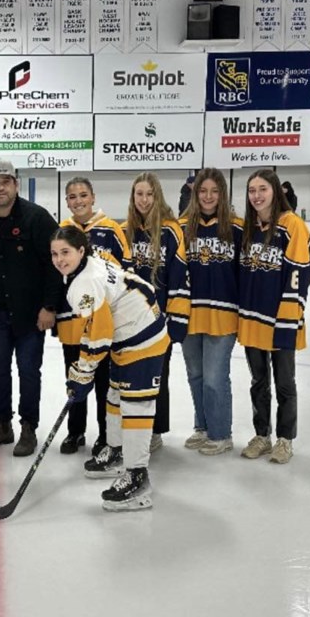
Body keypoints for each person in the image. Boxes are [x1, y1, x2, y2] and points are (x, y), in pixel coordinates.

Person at [51, 226, 169, 511]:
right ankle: (116, 452)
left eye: (65, 252)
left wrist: (83, 372)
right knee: (115, 397)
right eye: (54, 254)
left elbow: (100, 332)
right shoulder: (90, 266)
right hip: (129, 334)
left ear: (81, 251)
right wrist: (83, 369)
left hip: (141, 338)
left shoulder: (83, 283)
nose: (59, 259)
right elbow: (97, 325)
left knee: (136, 407)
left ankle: (138, 476)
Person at [0, 160, 63, 457]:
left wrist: (49, 307)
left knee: (29, 371)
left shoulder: (37, 218)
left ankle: (28, 427)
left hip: (32, 314)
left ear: (16, 185)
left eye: (6, 181)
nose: (0, 186)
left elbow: (55, 266)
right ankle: (3, 425)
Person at [238, 170, 310, 465]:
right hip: (252, 319)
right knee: (258, 381)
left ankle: (285, 439)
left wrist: (289, 318)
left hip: (282, 319)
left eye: (263, 189)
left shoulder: (292, 225)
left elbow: (299, 276)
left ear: (275, 192)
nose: (257, 195)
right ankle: (262, 435)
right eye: (252, 190)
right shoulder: (249, 228)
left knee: (284, 383)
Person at [56, 177, 132, 457]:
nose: (78, 201)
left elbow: (125, 273)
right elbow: (55, 274)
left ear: (93, 197)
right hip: (72, 321)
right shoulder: (62, 230)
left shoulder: (112, 229)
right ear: (66, 201)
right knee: (76, 378)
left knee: (102, 381)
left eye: (83, 195)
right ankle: (75, 432)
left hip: (103, 323)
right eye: (72, 196)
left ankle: (104, 434)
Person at [178, 168, 243, 456]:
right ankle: (202, 427)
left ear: (222, 194)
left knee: (215, 377)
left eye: (214, 191)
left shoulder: (237, 228)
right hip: (190, 313)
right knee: (195, 375)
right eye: (203, 191)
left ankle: (220, 433)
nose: (208, 197)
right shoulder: (182, 227)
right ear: (195, 194)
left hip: (224, 313)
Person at [123, 172, 191, 452]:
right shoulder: (126, 229)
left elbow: (180, 277)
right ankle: (134, 427)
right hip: (130, 321)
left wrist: (176, 320)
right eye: (139, 194)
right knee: (131, 377)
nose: (144, 199)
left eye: (150, 194)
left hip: (159, 321)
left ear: (158, 196)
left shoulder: (171, 231)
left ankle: (156, 431)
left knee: (156, 376)